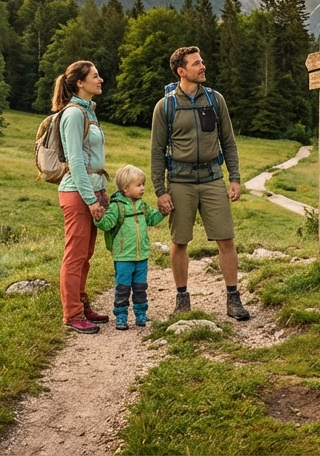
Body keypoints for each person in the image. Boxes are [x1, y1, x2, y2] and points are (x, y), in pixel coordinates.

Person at [150, 46, 249, 321]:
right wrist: (160, 191)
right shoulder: (166, 106)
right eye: (196, 64)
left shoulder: (216, 100)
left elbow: (228, 141)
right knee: (179, 241)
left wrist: (235, 178)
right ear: (182, 71)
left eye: (202, 61)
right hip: (179, 182)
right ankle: (182, 299)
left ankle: (233, 299)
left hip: (212, 178)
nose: (202, 66)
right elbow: (157, 151)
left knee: (226, 240)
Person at [53, 60, 111, 334]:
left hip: (91, 188)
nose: (100, 80)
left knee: (85, 255)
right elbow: (76, 162)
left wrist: (101, 193)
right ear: (80, 82)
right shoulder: (74, 114)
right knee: (75, 256)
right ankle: (72, 313)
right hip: (77, 193)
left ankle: (82, 304)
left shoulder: (89, 110)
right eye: (95, 76)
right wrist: (91, 200)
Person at [98, 164, 165, 330]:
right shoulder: (116, 207)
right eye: (139, 185)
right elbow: (107, 225)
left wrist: (163, 212)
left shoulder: (142, 206)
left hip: (141, 255)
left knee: (140, 287)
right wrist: (98, 218)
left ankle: (141, 314)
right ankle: (121, 316)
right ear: (126, 188)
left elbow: (152, 219)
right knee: (123, 288)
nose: (142, 188)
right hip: (123, 257)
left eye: (143, 184)